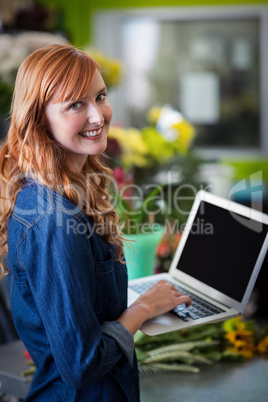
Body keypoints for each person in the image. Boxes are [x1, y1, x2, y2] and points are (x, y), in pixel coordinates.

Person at [0, 44, 191, 401]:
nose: (98, 116)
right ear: (40, 119)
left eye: (100, 96)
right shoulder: (53, 219)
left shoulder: (64, 190)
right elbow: (81, 364)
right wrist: (144, 309)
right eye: (75, 104)